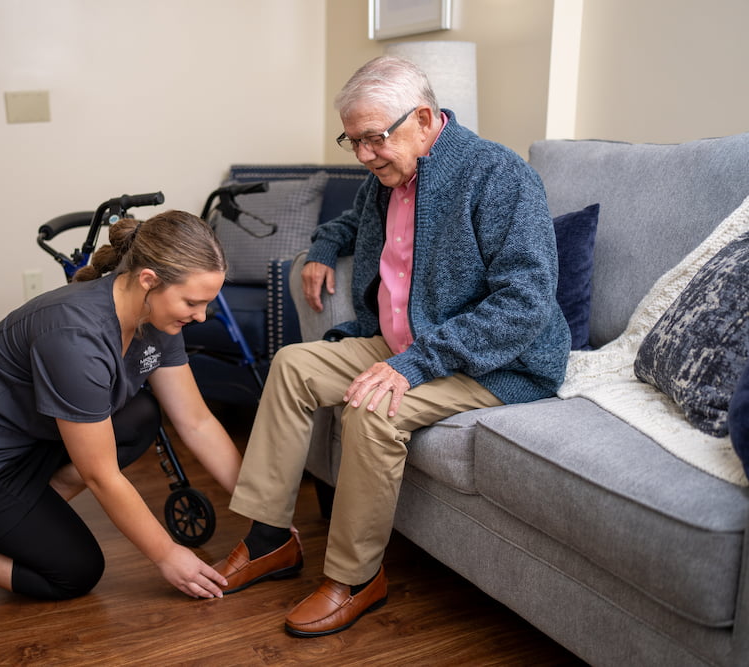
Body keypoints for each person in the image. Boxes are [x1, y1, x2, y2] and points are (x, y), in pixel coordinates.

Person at [212, 55, 571, 637]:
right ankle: (269, 539)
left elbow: (525, 303)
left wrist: (414, 365)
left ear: (425, 120)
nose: (362, 155)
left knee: (372, 409)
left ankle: (357, 579)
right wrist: (325, 248)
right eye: (352, 141)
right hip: (405, 341)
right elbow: (350, 223)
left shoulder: (497, 177)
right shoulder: (389, 176)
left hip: (496, 362)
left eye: (374, 139)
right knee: (292, 365)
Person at [0, 209, 240, 600]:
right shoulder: (76, 335)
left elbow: (196, 421)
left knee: (139, 417)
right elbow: (101, 476)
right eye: (192, 303)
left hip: (19, 440)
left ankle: (16, 520)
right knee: (75, 571)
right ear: (149, 280)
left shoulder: (157, 317)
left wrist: (263, 509)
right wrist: (167, 555)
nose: (200, 316)